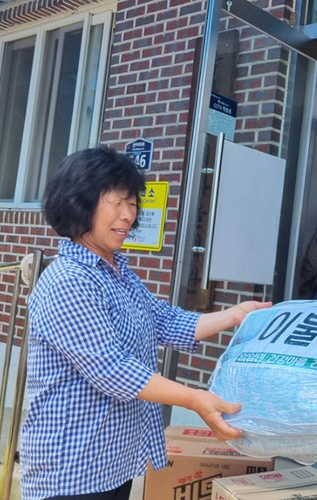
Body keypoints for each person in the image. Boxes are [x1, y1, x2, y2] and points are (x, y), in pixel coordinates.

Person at [20, 147, 271, 500]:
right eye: (116, 202)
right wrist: (194, 398)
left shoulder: (118, 271)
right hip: (71, 467)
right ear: (80, 203)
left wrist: (234, 316)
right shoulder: (69, 279)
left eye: (133, 203)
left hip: (112, 461)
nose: (127, 215)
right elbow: (112, 368)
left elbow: (165, 321)